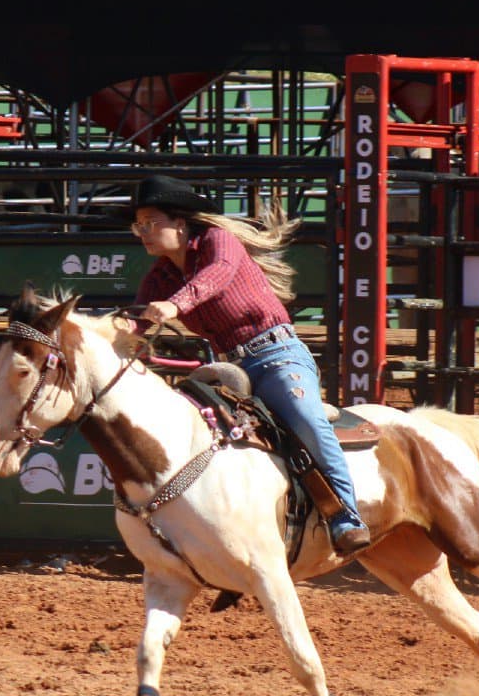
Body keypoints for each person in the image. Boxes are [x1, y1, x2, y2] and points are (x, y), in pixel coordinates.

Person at [130, 174, 371, 554]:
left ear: (180, 222)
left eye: (150, 222)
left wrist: (175, 305)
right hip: (228, 370)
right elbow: (135, 323)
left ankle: (346, 516)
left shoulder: (217, 240)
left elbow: (216, 276)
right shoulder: (160, 276)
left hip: (277, 356)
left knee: (305, 418)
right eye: (138, 225)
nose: (143, 232)